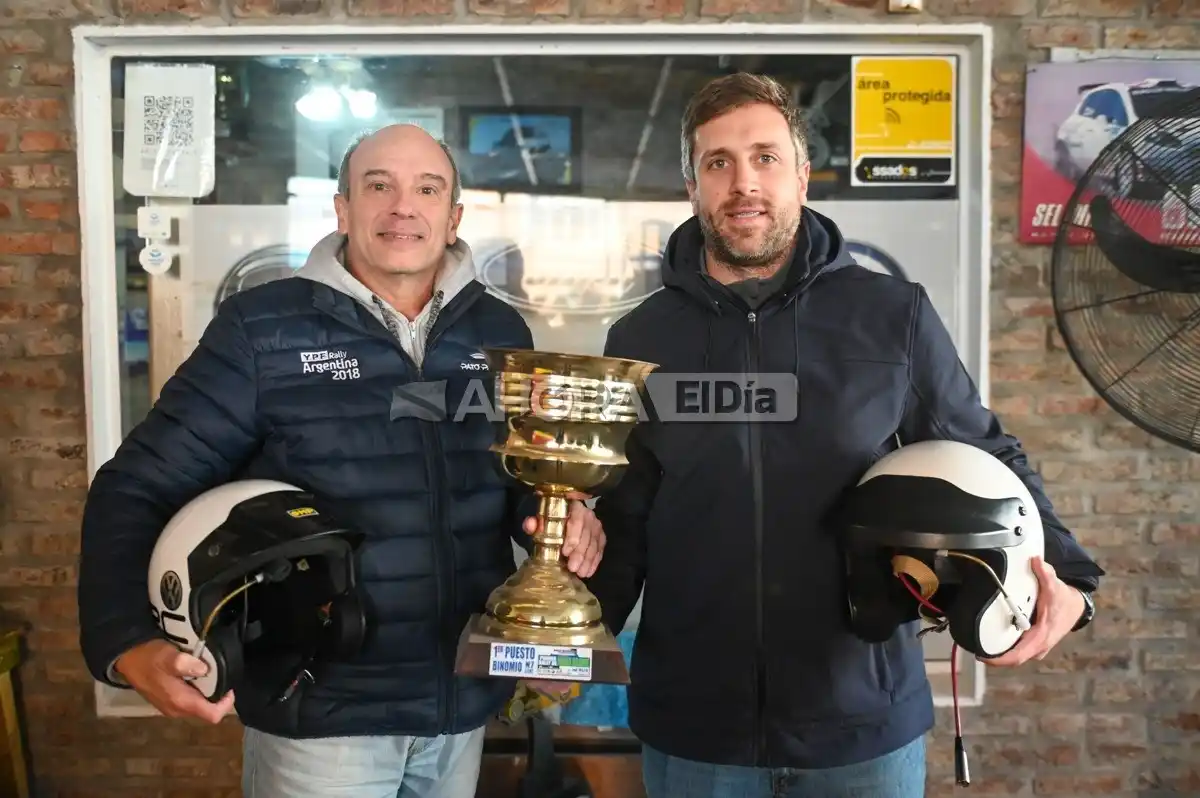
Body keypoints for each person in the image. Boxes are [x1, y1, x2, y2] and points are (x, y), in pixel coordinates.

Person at [584, 73, 1105, 798]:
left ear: (801, 175)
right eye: (718, 163)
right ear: (692, 186)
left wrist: (1072, 578)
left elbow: (983, 452)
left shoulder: (892, 316)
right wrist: (563, 635)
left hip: (861, 728)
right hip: (697, 732)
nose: (744, 184)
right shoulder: (640, 337)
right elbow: (625, 516)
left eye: (765, 157)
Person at [77, 124, 606, 797]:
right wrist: (124, 640)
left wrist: (562, 511)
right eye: (378, 186)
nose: (402, 206)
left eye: (426, 189)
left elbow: (509, 478)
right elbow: (137, 487)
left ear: (454, 218)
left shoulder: (499, 332)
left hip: (458, 704)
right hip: (323, 717)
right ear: (342, 209)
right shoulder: (262, 331)